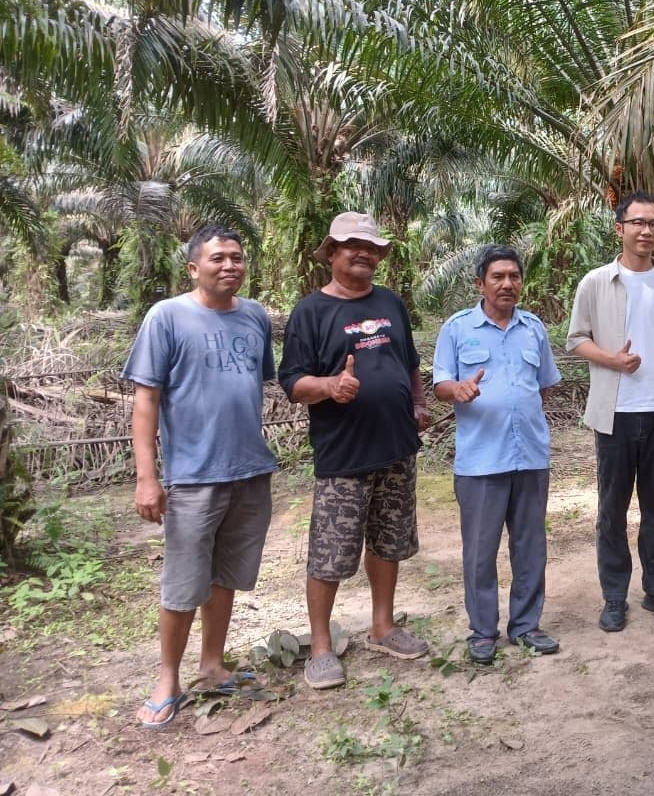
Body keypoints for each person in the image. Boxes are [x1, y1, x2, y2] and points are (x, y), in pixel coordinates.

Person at [124, 225, 277, 727]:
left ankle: (212, 665)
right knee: (183, 583)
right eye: (217, 258)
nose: (229, 265)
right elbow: (146, 399)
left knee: (225, 575)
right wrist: (148, 478)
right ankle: (168, 678)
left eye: (236, 257)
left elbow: (255, 383)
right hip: (192, 476)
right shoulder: (166, 317)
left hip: (250, 470)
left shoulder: (255, 317)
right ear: (194, 267)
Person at [279, 212, 431, 690]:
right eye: (351, 245)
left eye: (371, 247)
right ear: (331, 252)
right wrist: (330, 385)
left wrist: (420, 402)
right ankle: (321, 647)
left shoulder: (391, 303)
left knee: (389, 542)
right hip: (343, 455)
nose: (362, 253)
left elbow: (408, 364)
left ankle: (383, 626)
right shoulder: (310, 311)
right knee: (330, 553)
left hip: (396, 448)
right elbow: (293, 383)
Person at [567, 192, 654, 632]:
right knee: (612, 510)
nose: (646, 231)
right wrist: (611, 359)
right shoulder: (595, 282)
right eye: (637, 222)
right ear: (619, 228)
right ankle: (614, 596)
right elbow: (576, 339)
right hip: (615, 414)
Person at [433, 246, 562, 664]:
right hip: (481, 461)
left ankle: (526, 626)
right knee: (480, 550)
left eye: (514, 277)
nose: (507, 284)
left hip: (530, 456)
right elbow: (440, 384)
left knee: (530, 546)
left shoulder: (534, 329)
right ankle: (483, 631)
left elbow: (544, 385)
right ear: (480, 283)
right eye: (498, 277)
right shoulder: (457, 329)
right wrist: (459, 390)